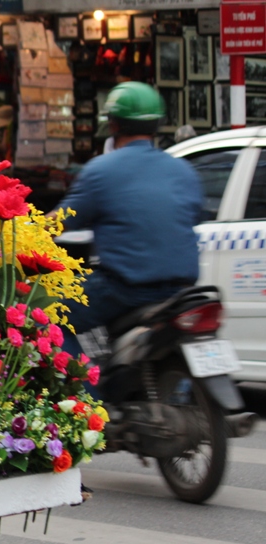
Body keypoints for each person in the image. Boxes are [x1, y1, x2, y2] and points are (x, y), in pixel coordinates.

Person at [55, 81, 202, 358]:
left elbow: (60, 222)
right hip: (181, 291)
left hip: (126, 288)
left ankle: (86, 399)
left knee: (49, 317)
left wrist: (20, 230)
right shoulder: (184, 170)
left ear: (112, 125)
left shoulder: (101, 170)